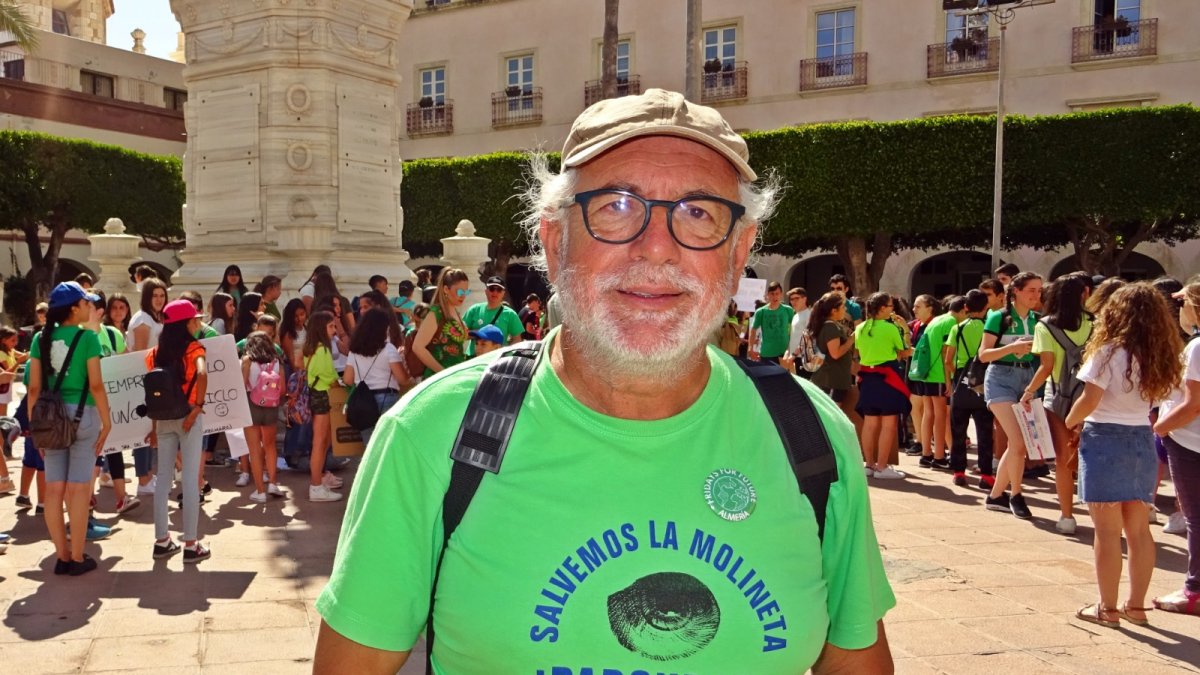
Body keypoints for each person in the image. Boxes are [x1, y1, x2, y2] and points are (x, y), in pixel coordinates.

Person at [314, 87, 894, 673]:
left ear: (739, 251)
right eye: (616, 206)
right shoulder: (430, 434)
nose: (657, 248)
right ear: (555, 239)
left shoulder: (812, 434)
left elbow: (856, 660)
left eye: (699, 213)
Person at [1065, 283, 1183, 628]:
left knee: (1106, 532)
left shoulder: (1108, 351)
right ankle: (1137, 606)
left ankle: (1108, 608)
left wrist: (1071, 422)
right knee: (1139, 530)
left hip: (1104, 438)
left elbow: (1090, 399)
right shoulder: (1161, 354)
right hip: (1141, 438)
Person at [26, 282, 112, 576]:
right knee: (78, 489)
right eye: (86, 303)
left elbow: (34, 387)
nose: (90, 306)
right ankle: (77, 556)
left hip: (50, 420)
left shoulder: (40, 339)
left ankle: (61, 556)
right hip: (83, 416)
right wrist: (107, 420)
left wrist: (35, 426)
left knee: (53, 489)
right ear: (75, 308)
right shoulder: (88, 338)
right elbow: (97, 384)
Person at [1021, 272, 1092, 534]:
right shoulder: (1095, 323)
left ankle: (1067, 517)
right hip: (1092, 397)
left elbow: (1046, 366)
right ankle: (1101, 515)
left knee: (1063, 460)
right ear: (1084, 294)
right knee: (1091, 455)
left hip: (1059, 396)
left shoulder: (1045, 325)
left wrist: (1029, 392)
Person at [145, 299, 211, 564]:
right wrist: (197, 408)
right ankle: (191, 545)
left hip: (162, 420)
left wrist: (152, 428)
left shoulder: (154, 354)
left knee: (163, 480)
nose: (198, 323)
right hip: (188, 418)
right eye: (195, 319)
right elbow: (203, 374)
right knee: (191, 479)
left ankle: (162, 542)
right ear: (186, 323)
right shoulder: (194, 348)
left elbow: (152, 392)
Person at [1152, 280, 1200, 616]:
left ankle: (1194, 590)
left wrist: (1161, 427)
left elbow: (1193, 404)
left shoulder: (1197, 348)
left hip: (1190, 440)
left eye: (1183, 303)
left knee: (1196, 517)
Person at [980, 271, 1043, 520]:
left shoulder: (1039, 320)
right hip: (1000, 379)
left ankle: (996, 495)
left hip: (1028, 378)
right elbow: (984, 354)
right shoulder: (998, 317)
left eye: (1039, 291)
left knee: (1019, 444)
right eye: (1031, 290)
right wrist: (1012, 348)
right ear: (1015, 291)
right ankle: (1016, 494)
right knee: (1018, 442)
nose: (1036, 296)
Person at [855, 292, 913, 480]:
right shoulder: (890, 328)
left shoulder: (861, 328)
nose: (892, 309)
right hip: (887, 376)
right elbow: (903, 350)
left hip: (867, 377)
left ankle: (869, 464)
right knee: (889, 422)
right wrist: (904, 328)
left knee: (870, 422)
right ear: (881, 308)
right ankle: (881, 467)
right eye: (889, 306)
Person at [944, 290, 995, 489]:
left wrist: (955, 376)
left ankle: (958, 472)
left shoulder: (958, 328)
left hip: (961, 380)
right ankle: (986, 475)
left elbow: (948, 360)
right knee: (984, 430)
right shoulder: (989, 328)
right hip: (985, 381)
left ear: (965, 307)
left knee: (958, 429)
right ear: (986, 308)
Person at [344, 309, 411, 444]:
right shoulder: (389, 349)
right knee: (388, 446)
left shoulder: (354, 351)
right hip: (387, 399)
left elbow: (348, 379)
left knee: (370, 447)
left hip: (363, 402)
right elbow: (403, 380)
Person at [128, 278, 168, 498]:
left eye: (162, 295)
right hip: (145, 380)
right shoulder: (143, 320)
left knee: (153, 430)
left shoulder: (156, 318)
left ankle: (147, 475)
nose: (159, 299)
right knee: (144, 430)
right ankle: (143, 479)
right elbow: (140, 353)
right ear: (147, 297)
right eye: (155, 295)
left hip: (155, 379)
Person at [911, 295, 957, 470]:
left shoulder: (930, 324)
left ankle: (928, 453)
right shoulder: (946, 323)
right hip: (936, 374)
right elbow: (947, 352)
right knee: (939, 414)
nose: (914, 310)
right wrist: (948, 379)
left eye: (918, 306)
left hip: (926, 373)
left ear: (931, 308)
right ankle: (939, 454)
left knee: (929, 413)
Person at [302, 310, 343, 502]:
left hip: (316, 394)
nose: (334, 330)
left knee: (322, 441)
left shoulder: (310, 349)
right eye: (331, 326)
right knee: (320, 442)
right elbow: (330, 376)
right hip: (322, 396)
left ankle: (319, 481)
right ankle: (316, 486)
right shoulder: (322, 349)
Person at [240, 331, 285, 502]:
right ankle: (273, 483)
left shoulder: (247, 361)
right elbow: (283, 389)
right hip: (271, 406)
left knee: (254, 449)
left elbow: (241, 384)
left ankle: (259, 492)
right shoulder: (277, 362)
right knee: (270, 446)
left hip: (251, 405)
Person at [411, 268, 471, 377]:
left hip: (456, 375)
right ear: (446, 289)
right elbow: (417, 347)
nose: (463, 295)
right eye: (460, 291)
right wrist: (443, 373)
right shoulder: (436, 313)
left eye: (466, 291)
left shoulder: (455, 311)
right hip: (439, 379)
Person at [809, 291, 855, 408]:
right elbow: (835, 353)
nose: (845, 309)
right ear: (834, 311)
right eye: (843, 307)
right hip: (830, 381)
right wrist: (851, 339)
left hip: (832, 380)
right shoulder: (830, 326)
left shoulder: (830, 324)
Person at [462, 276, 524, 356]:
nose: (495, 292)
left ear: (503, 293)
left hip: (497, 360)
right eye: (492, 289)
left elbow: (517, 339)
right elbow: (460, 334)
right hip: (473, 358)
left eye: (499, 290)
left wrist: (505, 355)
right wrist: (478, 334)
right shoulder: (474, 310)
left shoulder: (510, 314)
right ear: (486, 291)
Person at [749, 281, 794, 364]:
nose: (775, 296)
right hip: (767, 354)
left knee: (784, 377)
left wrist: (791, 349)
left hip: (784, 354)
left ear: (781, 294)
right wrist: (750, 348)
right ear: (768, 295)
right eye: (772, 294)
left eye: (777, 293)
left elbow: (794, 330)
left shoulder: (788, 310)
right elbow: (753, 330)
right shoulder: (761, 311)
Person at [280, 299, 309, 370]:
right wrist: (297, 373)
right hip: (294, 369)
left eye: (302, 314)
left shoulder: (306, 329)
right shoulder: (288, 333)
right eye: (296, 316)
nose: (299, 318)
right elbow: (291, 357)